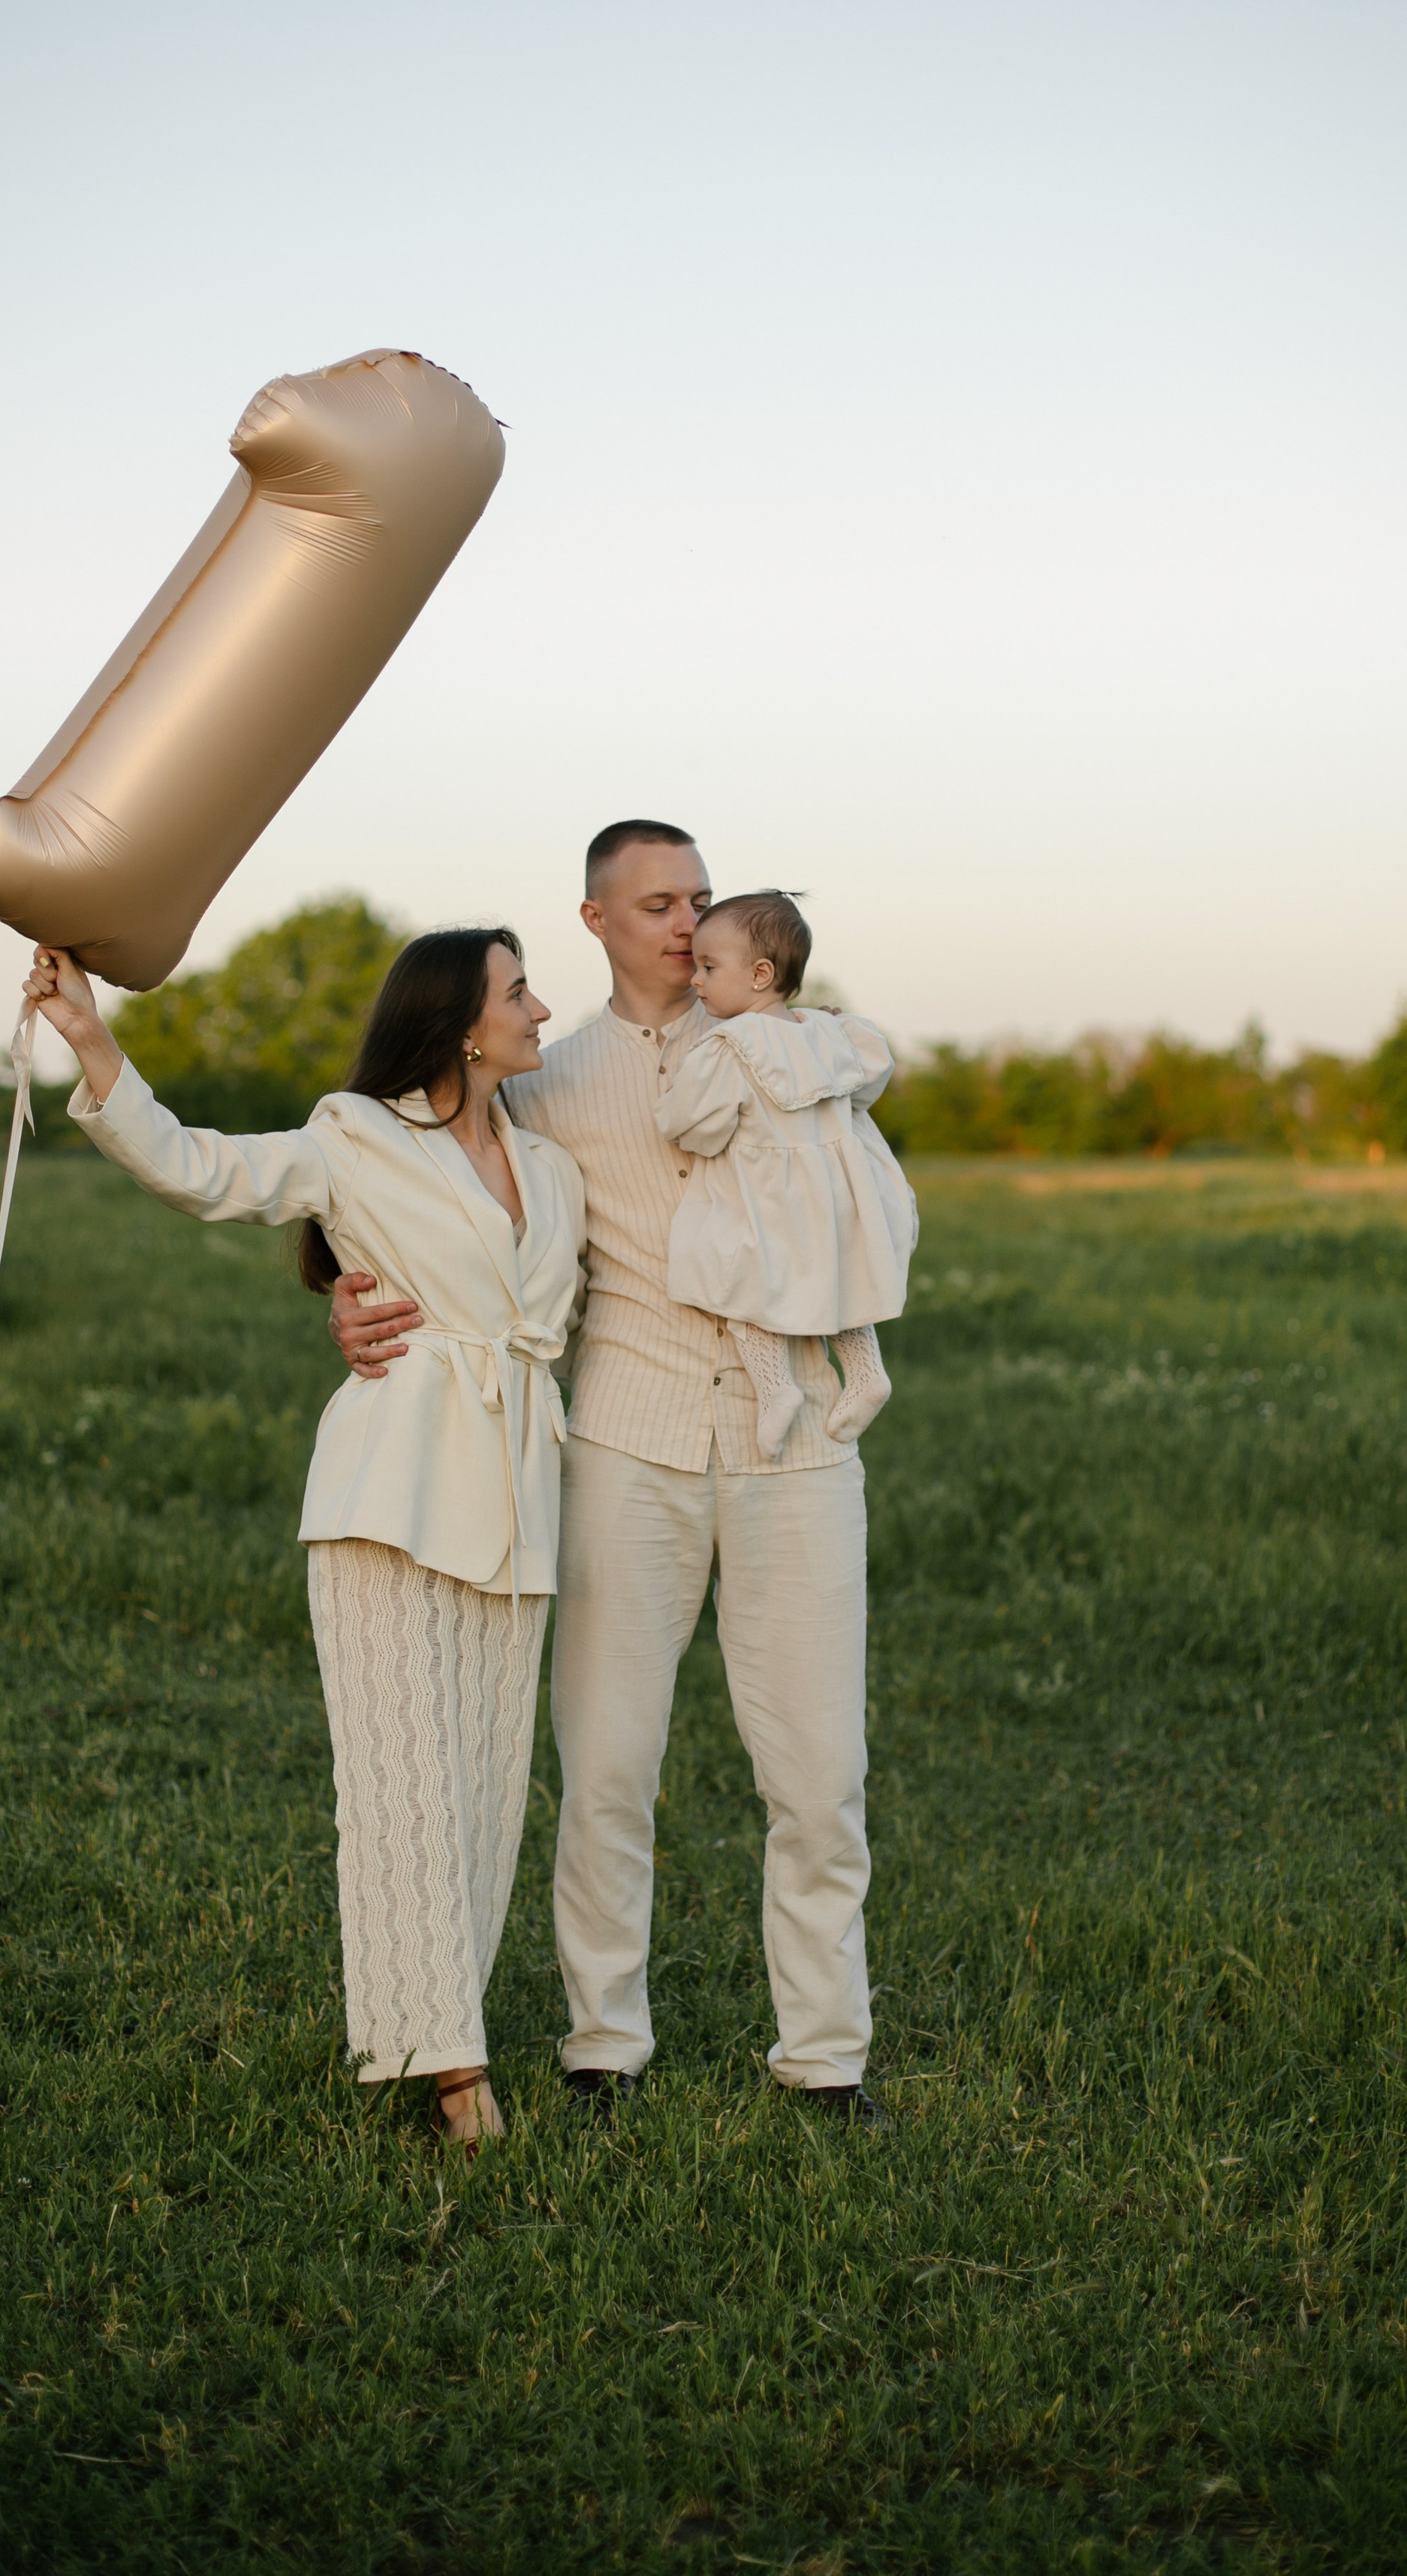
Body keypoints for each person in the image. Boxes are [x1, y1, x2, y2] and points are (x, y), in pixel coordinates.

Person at [333, 823, 886, 2123]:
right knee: (608, 1770)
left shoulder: (801, 1046)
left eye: (702, 900)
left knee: (819, 1776)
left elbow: (854, 1195)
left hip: (799, 1444)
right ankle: (603, 2049)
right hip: (628, 1446)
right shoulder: (548, 1080)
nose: (688, 924)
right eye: (658, 904)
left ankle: (826, 2061)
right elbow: (425, 1195)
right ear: (596, 920)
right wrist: (349, 1298)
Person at [22, 927, 584, 2155]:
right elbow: (203, 1170)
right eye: (518, 991)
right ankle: (453, 2071)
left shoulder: (553, 1164)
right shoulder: (355, 1133)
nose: (542, 1009)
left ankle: (441, 2024)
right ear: (460, 1025)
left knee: (487, 1787)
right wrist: (92, 1036)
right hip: (390, 1492)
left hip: (519, 1498)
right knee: (402, 1784)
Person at [657, 889, 916, 1458]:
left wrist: (676, 1096)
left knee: (744, 1283)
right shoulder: (830, 1032)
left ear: (760, 974)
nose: (695, 980)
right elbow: (865, 1087)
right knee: (843, 1278)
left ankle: (776, 1388)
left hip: (768, 1198)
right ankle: (865, 1371)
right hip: (837, 1197)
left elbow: (695, 1128)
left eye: (708, 967)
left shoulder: (730, 1046)